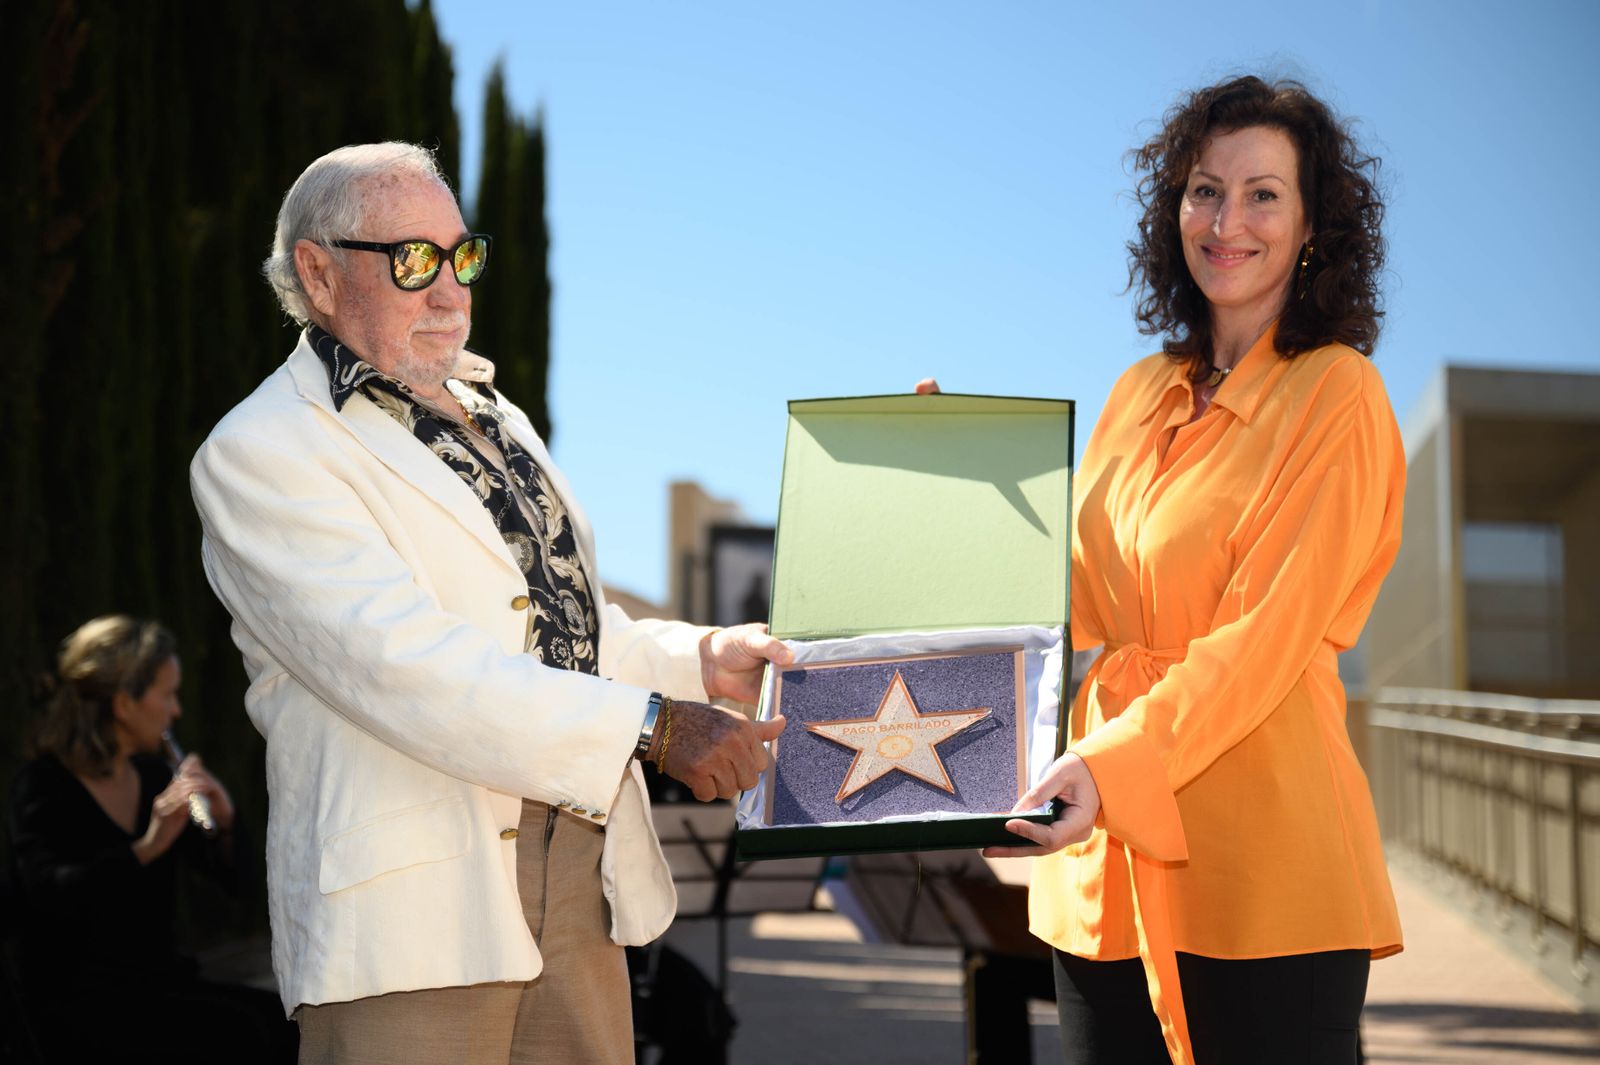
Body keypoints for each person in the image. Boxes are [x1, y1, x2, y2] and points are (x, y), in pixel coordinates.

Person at [189, 141, 790, 1065]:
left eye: (461, 257)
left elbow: (558, 627)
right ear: (318, 272)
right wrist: (658, 725)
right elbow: (402, 665)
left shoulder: (500, 417)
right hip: (413, 919)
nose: (450, 294)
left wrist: (697, 662)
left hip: (585, 881)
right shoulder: (260, 450)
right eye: (413, 261)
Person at [937, 75, 1405, 1064]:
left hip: (1265, 879)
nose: (1227, 219)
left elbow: (1263, 638)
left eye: (1263, 193)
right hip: (1099, 868)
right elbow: (1063, 600)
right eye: (1204, 189)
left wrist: (1107, 769)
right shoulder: (1137, 390)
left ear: (1313, 224)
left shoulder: (1340, 395)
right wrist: (953, 479)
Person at [7, 615, 297, 1063]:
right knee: (241, 1036)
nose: (176, 710)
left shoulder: (153, 777)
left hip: (157, 984)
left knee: (283, 1025)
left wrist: (226, 823)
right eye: (167, 694)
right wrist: (146, 849)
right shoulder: (42, 784)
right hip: (79, 1000)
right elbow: (48, 898)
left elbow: (237, 888)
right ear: (124, 704)